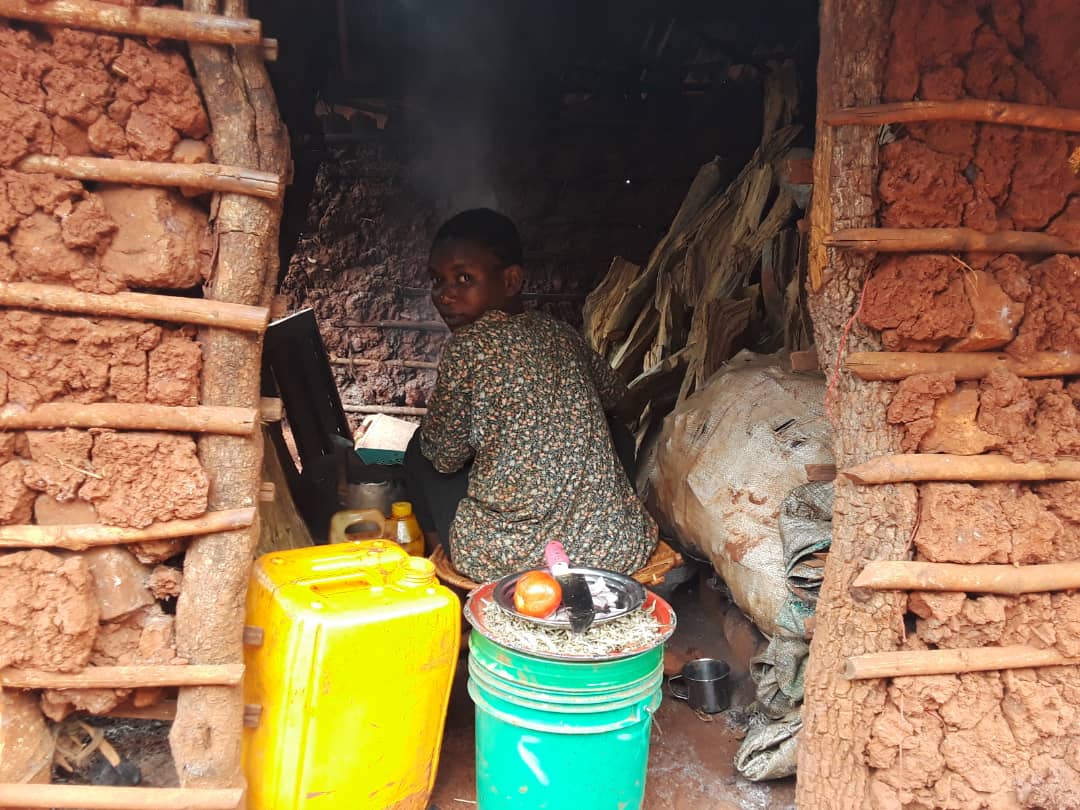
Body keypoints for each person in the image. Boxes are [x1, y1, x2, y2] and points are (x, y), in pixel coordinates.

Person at [404, 208, 657, 583]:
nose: (445, 294)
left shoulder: (466, 347)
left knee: (420, 450)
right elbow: (621, 399)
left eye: (464, 278)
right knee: (615, 428)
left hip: (515, 558)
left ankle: (438, 570)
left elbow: (445, 457)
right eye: (437, 280)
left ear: (511, 281)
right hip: (612, 546)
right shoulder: (561, 333)